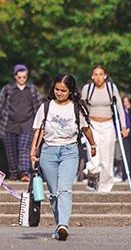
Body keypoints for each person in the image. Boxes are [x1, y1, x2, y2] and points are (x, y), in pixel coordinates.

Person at [31, 74, 97, 241]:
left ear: (70, 91)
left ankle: (63, 225)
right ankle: (59, 224)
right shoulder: (46, 107)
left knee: (64, 189)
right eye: (57, 89)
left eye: (63, 90)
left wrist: (93, 145)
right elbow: (38, 130)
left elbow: (85, 128)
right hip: (48, 151)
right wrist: (33, 152)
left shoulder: (76, 108)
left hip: (69, 151)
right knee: (54, 193)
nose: (59, 93)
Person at [81, 65, 128, 192]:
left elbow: (119, 107)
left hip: (108, 125)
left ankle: (104, 190)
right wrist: (82, 125)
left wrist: (123, 126)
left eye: (101, 74)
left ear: (105, 76)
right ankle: (92, 179)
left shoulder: (111, 88)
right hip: (92, 126)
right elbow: (82, 108)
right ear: (92, 76)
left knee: (107, 160)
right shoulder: (87, 88)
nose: (98, 77)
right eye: (95, 74)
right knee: (94, 159)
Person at [0, 64, 41, 181]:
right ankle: (13, 173)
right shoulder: (8, 89)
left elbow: (38, 107)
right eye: (20, 77)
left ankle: (24, 173)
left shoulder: (32, 89)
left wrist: (40, 123)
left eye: (24, 77)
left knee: (24, 149)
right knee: (11, 151)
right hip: (9, 125)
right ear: (15, 77)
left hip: (27, 124)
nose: (22, 79)